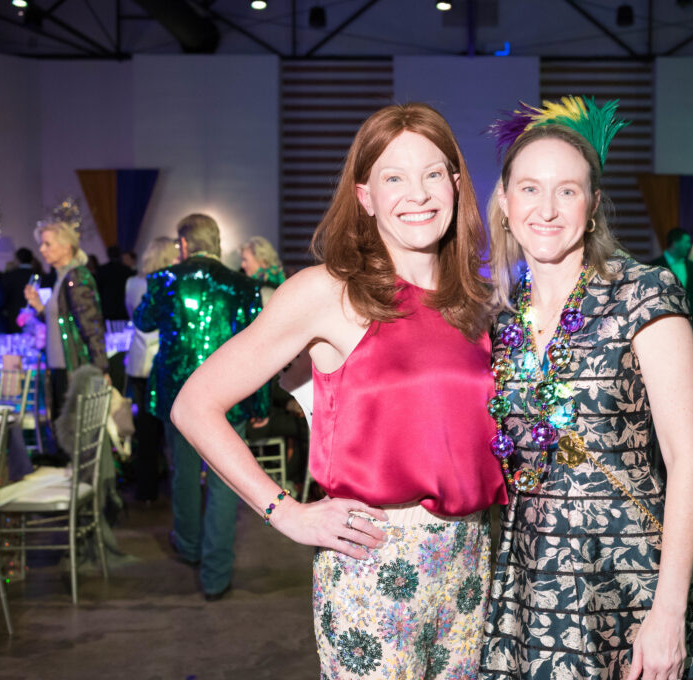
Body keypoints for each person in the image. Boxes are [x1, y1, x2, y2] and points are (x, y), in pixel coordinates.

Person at [170, 103, 505, 674]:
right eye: (393, 178)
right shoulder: (326, 292)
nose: (417, 194)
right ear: (366, 197)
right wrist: (285, 512)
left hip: (471, 566)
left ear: (455, 184)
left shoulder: (475, 299)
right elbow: (195, 405)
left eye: (431, 174)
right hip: (371, 568)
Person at [481, 99, 693, 679]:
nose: (547, 208)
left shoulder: (643, 294)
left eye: (567, 191)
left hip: (633, 580)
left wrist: (667, 615)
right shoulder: (499, 317)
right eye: (530, 189)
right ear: (504, 201)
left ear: (592, 206)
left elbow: (688, 461)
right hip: (532, 587)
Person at [133, 215, 269, 600]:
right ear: (218, 241)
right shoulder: (242, 284)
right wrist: (260, 402)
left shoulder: (164, 280)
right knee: (227, 484)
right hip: (230, 395)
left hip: (179, 398)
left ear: (183, 244)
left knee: (184, 475)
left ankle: (190, 547)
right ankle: (216, 576)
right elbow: (258, 348)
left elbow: (142, 323)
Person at [24, 221, 107, 424]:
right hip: (61, 365)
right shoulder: (62, 277)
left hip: (74, 367)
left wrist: (100, 369)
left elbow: (91, 325)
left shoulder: (76, 276)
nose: (42, 249)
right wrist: (38, 307)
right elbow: (60, 321)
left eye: (47, 244)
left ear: (66, 246)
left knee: (77, 430)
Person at [125, 236, 178, 503]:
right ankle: (166, 486)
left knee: (146, 430)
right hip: (159, 361)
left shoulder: (133, 283)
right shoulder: (167, 285)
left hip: (137, 361)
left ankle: (146, 489)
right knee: (163, 427)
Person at [651, 228, 693, 336]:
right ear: (675, 243)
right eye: (686, 242)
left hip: (688, 324)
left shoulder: (690, 265)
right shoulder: (655, 266)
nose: (689, 246)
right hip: (664, 325)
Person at [2, 247, 40, 332]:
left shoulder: (10, 276)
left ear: (17, 259)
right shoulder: (39, 275)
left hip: (14, 317)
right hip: (36, 317)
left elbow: (4, 297)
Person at [97, 245, 135, 321]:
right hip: (123, 307)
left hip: (108, 308)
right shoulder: (127, 270)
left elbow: (99, 289)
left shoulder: (102, 270)